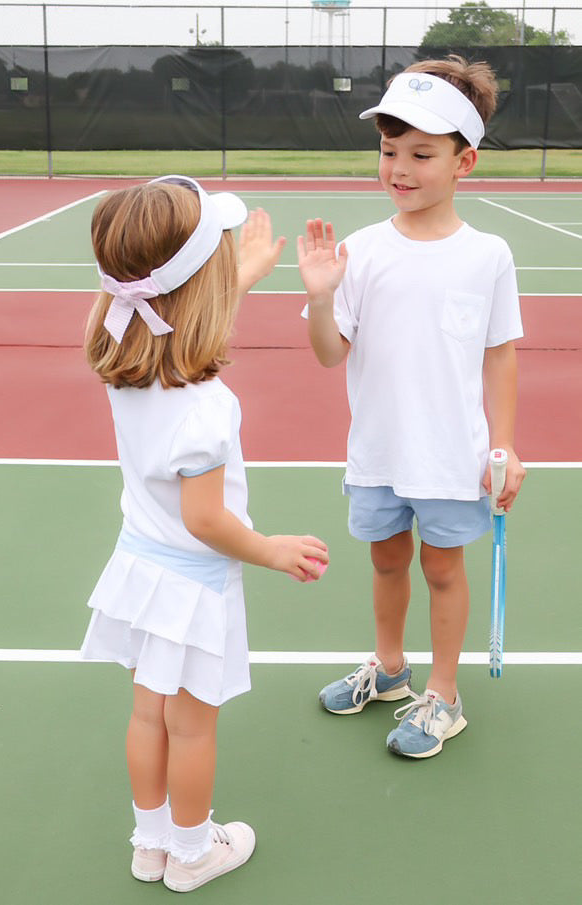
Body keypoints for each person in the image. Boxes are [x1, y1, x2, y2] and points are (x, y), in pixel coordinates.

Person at [80, 175, 328, 891]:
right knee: (191, 725)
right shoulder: (208, 406)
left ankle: (150, 841)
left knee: (148, 714)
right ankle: (193, 853)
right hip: (194, 582)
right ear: (198, 285)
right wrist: (271, 549)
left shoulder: (116, 344)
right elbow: (207, 519)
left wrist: (236, 279)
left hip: (136, 568)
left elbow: (179, 327)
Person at [297, 57, 525, 758]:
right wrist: (319, 294)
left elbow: (499, 353)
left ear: (465, 161)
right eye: (387, 150)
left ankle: (444, 694)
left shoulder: (487, 255)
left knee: (441, 569)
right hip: (377, 453)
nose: (398, 167)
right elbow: (330, 353)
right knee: (388, 562)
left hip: (452, 455)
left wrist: (505, 446)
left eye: (420, 153)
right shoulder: (359, 252)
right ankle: (389, 669)